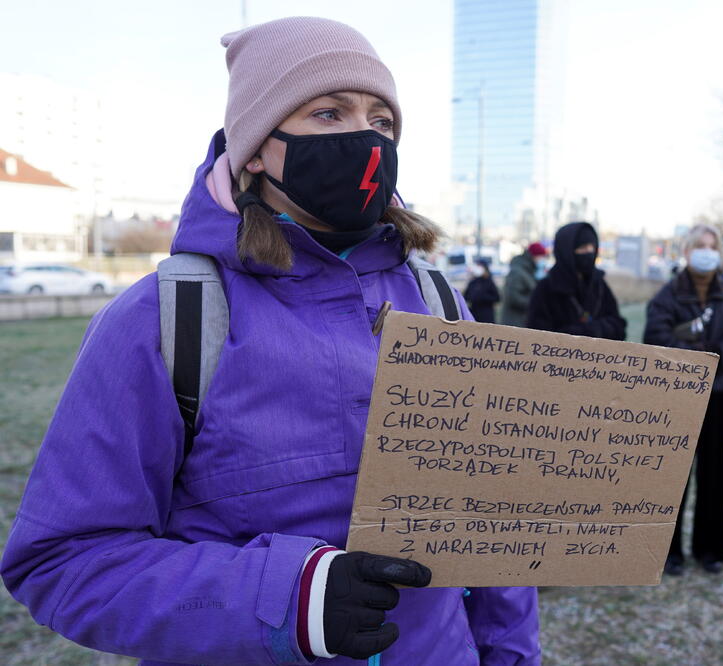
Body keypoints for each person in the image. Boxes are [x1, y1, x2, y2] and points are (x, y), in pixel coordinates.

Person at [0, 18, 539, 665]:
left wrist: (510, 656)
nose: (365, 139)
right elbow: (64, 560)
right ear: (255, 147)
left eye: (382, 120)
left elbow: (493, 524)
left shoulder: (439, 304)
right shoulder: (165, 319)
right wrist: (289, 598)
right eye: (330, 113)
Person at [643, 224, 723, 576]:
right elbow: (657, 337)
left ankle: (710, 549)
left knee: (714, 475)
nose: (706, 251)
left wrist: (712, 355)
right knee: (673, 478)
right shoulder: (667, 296)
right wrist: (694, 360)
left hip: (718, 395)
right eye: (699, 245)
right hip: (678, 398)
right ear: (687, 251)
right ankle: (669, 550)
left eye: (712, 245)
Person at [525, 222, 626, 340]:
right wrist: (585, 333)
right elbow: (537, 337)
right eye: (583, 248)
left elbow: (618, 326)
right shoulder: (546, 288)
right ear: (567, 251)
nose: (589, 252)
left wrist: (597, 329)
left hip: (599, 357)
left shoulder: (599, 284)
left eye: (592, 247)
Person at [501, 242, 547, 327]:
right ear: (534, 256)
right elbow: (513, 298)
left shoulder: (529, 271)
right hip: (515, 322)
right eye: (541, 257)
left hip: (523, 321)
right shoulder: (518, 272)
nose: (543, 260)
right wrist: (536, 303)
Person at [463, 259, 500, 323]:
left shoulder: (489, 282)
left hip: (487, 316)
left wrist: (483, 297)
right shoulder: (472, 282)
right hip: (474, 315)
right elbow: (466, 297)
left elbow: (497, 298)